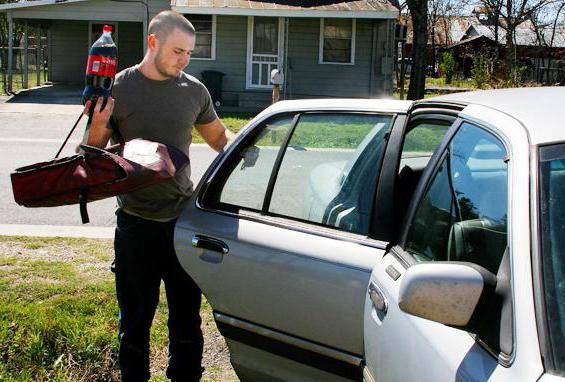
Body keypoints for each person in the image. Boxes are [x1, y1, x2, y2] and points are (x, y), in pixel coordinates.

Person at [82, 10, 235, 382]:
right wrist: (99, 122)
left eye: (189, 53)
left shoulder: (193, 90)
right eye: (178, 51)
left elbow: (219, 139)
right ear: (153, 43)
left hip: (183, 223)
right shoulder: (116, 88)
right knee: (134, 320)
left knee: (187, 319)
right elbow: (89, 157)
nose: (184, 60)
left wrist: (258, 153)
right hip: (136, 226)